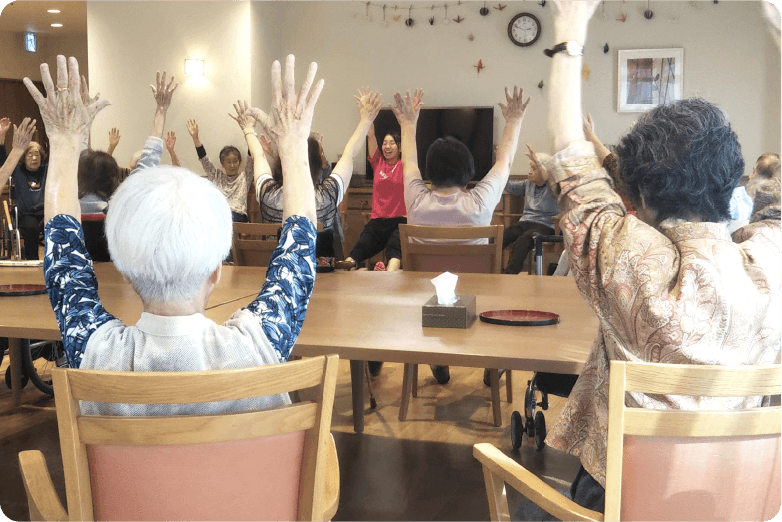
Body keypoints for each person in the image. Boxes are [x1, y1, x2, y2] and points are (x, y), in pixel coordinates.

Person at [540, 1, 780, 514]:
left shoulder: (629, 261)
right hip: (739, 500)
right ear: (731, 177)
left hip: (621, 501)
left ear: (642, 196)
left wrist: (568, 36)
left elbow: (568, 157)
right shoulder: (771, 258)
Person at [27, 54, 322, 416]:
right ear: (216, 271)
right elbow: (301, 238)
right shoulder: (258, 344)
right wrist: (293, 144)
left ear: (128, 275)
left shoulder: (96, 351)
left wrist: (64, 142)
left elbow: (63, 257)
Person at [391, 86, 530, 384]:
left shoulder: (415, 199)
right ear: (468, 171)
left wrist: (407, 123)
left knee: (441, 293)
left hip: (428, 300)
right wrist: (514, 120)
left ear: (431, 171)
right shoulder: (479, 202)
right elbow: (504, 162)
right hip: (477, 299)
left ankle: (437, 356)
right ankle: (493, 363)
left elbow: (409, 163)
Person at [251, 88, 383, 263]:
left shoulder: (268, 195)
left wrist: (248, 130)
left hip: (277, 279)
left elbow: (258, 156)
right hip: (320, 282)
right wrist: (366, 120)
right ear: (316, 164)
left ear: (280, 163)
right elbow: (348, 155)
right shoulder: (325, 197)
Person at [336, 107, 407, 272]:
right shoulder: (378, 163)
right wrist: (367, 116)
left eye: (392, 143)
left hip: (399, 220)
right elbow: (371, 135)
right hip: (378, 220)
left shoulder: (404, 166)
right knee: (364, 243)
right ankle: (350, 264)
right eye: (385, 143)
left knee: (394, 248)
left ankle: (389, 272)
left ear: (400, 148)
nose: (387, 146)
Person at [500, 146, 559, 275]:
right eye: (530, 167)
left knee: (524, 240)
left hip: (545, 225)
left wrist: (539, 162)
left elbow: (549, 179)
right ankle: (492, 268)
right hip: (525, 222)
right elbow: (508, 186)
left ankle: (509, 273)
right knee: (502, 236)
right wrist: (501, 163)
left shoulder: (553, 187)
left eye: (534, 168)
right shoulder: (528, 184)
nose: (529, 171)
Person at [186, 116, 253, 225]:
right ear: (222, 164)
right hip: (220, 215)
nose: (232, 165)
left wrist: (249, 131)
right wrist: (195, 138)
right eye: (228, 162)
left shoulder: (245, 176)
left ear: (239, 162)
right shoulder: (216, 176)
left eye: (235, 161)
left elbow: (251, 156)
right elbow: (204, 159)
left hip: (238, 216)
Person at [0, 118, 48, 260]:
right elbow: (4, 160)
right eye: (30, 154)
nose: (34, 158)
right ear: (24, 157)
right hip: (26, 215)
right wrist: (2, 135)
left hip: (45, 213)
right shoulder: (18, 170)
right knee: (31, 227)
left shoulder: (46, 170)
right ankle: (33, 259)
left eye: (37, 154)